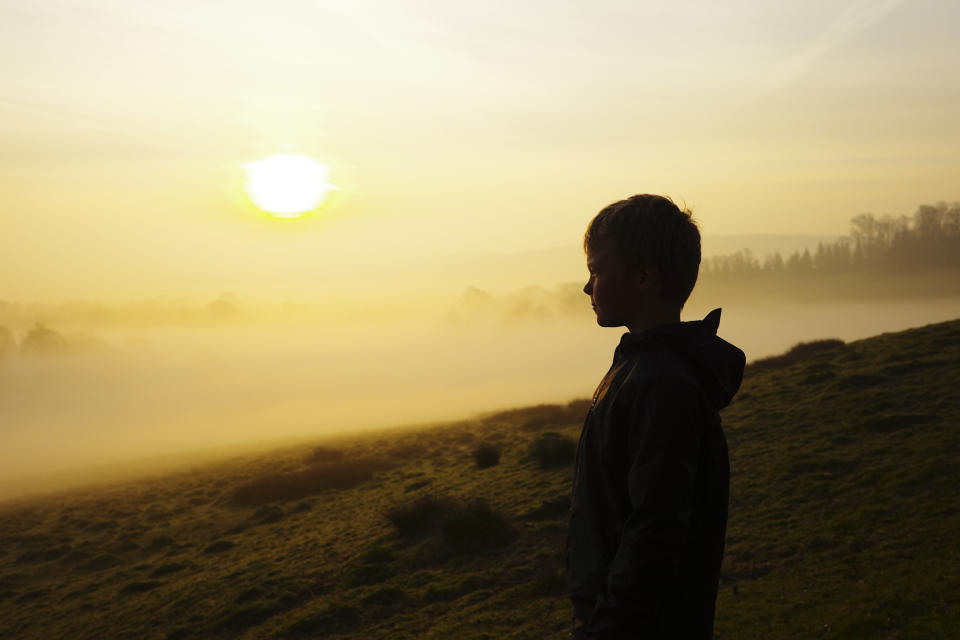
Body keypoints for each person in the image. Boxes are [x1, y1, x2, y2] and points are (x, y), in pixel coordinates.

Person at [567, 194, 745, 639]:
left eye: (596, 271)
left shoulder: (661, 385)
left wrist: (606, 629)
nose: (588, 288)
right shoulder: (640, 369)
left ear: (644, 276)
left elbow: (655, 531)